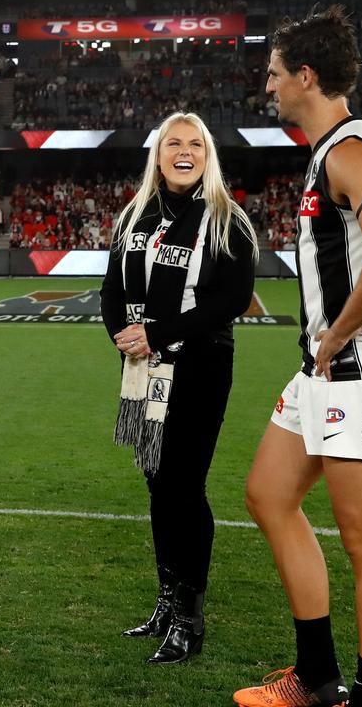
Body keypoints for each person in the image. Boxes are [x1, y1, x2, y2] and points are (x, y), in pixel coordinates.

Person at [234, 6, 362, 707]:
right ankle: (316, 677)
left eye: (277, 73)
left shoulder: (351, 151)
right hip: (326, 368)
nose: (270, 86)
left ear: (305, 77)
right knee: (269, 495)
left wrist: (340, 331)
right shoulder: (338, 151)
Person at [100, 112, 257, 665]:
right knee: (156, 483)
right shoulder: (134, 215)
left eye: (195, 144)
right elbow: (110, 289)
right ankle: (166, 602)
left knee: (183, 488)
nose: (184, 152)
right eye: (174, 143)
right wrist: (123, 338)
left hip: (199, 369)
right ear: (159, 154)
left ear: (207, 154)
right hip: (142, 371)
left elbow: (232, 300)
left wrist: (159, 333)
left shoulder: (226, 219)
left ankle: (190, 616)